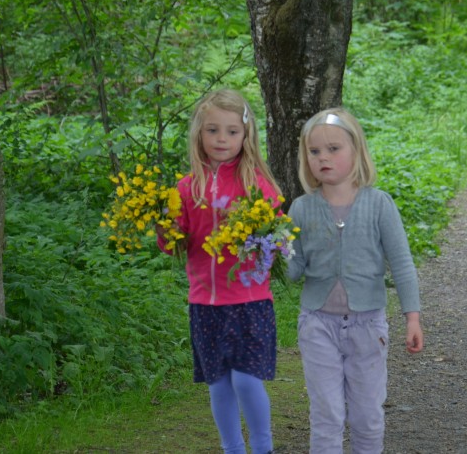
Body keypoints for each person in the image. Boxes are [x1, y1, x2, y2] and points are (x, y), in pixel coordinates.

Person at [287, 107, 424, 453]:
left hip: (368, 326)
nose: (323, 158)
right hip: (317, 325)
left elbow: (402, 263)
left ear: (357, 151)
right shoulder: (301, 209)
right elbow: (293, 270)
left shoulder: (379, 204)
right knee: (326, 414)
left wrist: (413, 317)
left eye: (334, 149)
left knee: (367, 415)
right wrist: (267, 249)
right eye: (314, 151)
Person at [156, 89, 280, 454]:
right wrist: (163, 226)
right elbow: (172, 245)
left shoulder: (257, 184)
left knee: (245, 379)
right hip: (204, 304)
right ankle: (232, 449)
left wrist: (253, 241)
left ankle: (263, 447)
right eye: (212, 130)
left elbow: (276, 240)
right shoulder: (185, 187)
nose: (221, 139)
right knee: (218, 383)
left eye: (231, 131)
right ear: (199, 134)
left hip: (249, 300)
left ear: (246, 135)